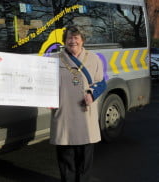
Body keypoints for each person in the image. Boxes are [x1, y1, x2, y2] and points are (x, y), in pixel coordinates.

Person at [50, 25, 106, 182]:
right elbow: (43, 83)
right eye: (69, 38)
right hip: (63, 115)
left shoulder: (94, 58)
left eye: (76, 38)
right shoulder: (54, 59)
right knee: (66, 160)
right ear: (64, 41)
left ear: (82, 40)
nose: (72, 41)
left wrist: (92, 93)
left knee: (84, 161)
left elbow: (101, 82)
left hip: (85, 116)